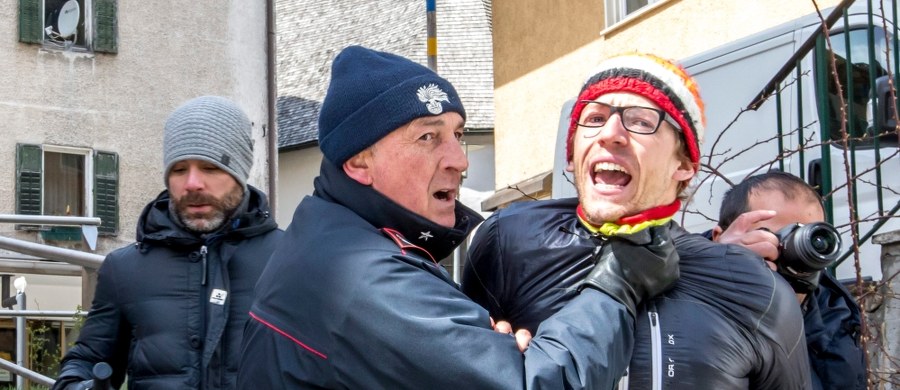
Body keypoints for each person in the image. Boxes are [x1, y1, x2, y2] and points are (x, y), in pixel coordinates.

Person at [237, 45, 680, 389]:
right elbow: (538, 383)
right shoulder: (360, 276)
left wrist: (474, 348)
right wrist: (617, 284)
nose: (460, 160)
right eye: (428, 137)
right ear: (359, 163)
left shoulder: (329, 236)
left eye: (458, 134)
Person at [462, 53, 811, 388]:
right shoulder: (510, 239)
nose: (610, 133)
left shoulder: (752, 286)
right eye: (594, 118)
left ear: (684, 165)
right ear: (571, 155)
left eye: (641, 121)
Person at [52, 96, 283, 390]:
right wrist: (78, 385)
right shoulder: (125, 269)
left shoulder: (289, 261)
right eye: (179, 169)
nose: (192, 183)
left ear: (240, 171)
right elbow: (88, 360)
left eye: (210, 167)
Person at [711, 170, 867, 390]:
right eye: (773, 236)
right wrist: (717, 265)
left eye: (807, 236)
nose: (794, 249)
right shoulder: (682, 298)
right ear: (720, 238)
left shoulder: (835, 318)